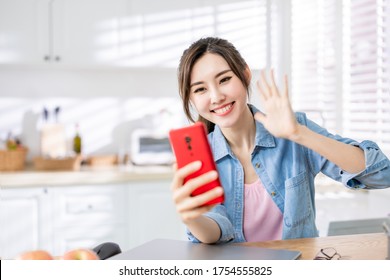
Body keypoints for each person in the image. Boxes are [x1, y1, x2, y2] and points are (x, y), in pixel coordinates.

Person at [170, 37, 390, 244]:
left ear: (245, 75)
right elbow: (217, 231)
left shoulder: (294, 129)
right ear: (191, 99)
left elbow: (381, 175)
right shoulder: (199, 154)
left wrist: (299, 135)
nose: (216, 97)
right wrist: (191, 218)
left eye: (225, 79)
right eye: (201, 89)